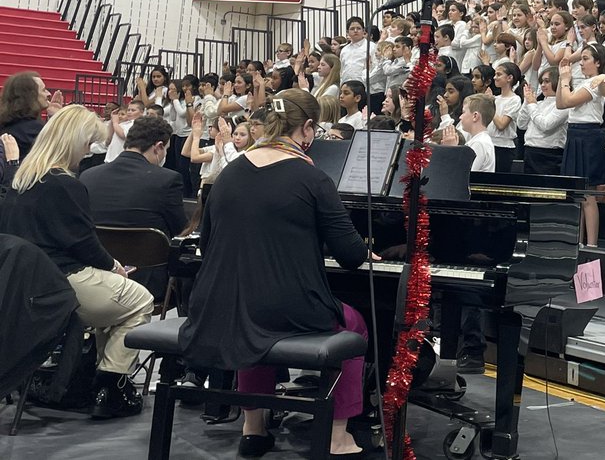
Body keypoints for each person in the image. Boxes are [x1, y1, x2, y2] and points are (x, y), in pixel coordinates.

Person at [177, 89, 370, 457]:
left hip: (217, 302)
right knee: (354, 324)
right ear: (308, 128)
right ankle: (338, 436)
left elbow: (209, 243)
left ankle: (253, 428)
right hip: (286, 307)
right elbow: (351, 256)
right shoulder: (311, 177)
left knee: (251, 316)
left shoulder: (229, 172)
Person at [0, 105, 154, 419]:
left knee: (114, 298)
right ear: (74, 142)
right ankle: (111, 386)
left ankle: (91, 381)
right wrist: (116, 267)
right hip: (58, 284)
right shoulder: (65, 184)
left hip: (23, 285)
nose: (87, 153)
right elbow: (84, 244)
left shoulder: (19, 180)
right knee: (140, 300)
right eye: (87, 145)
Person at [557, 44, 605, 246]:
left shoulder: (595, 81)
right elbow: (560, 103)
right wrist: (561, 79)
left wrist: (565, 81)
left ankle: (591, 244)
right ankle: (577, 241)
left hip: (588, 135)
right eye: (581, 59)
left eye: (586, 58)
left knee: (588, 194)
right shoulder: (585, 82)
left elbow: (570, 99)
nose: (581, 63)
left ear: (598, 62)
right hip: (574, 134)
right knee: (577, 193)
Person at [516, 67, 568, 175]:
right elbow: (521, 124)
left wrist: (531, 104)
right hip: (530, 152)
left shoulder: (564, 105)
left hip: (549, 156)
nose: (543, 85)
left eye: (547, 81)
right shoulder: (538, 104)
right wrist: (527, 102)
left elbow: (546, 125)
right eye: (541, 82)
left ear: (557, 81)